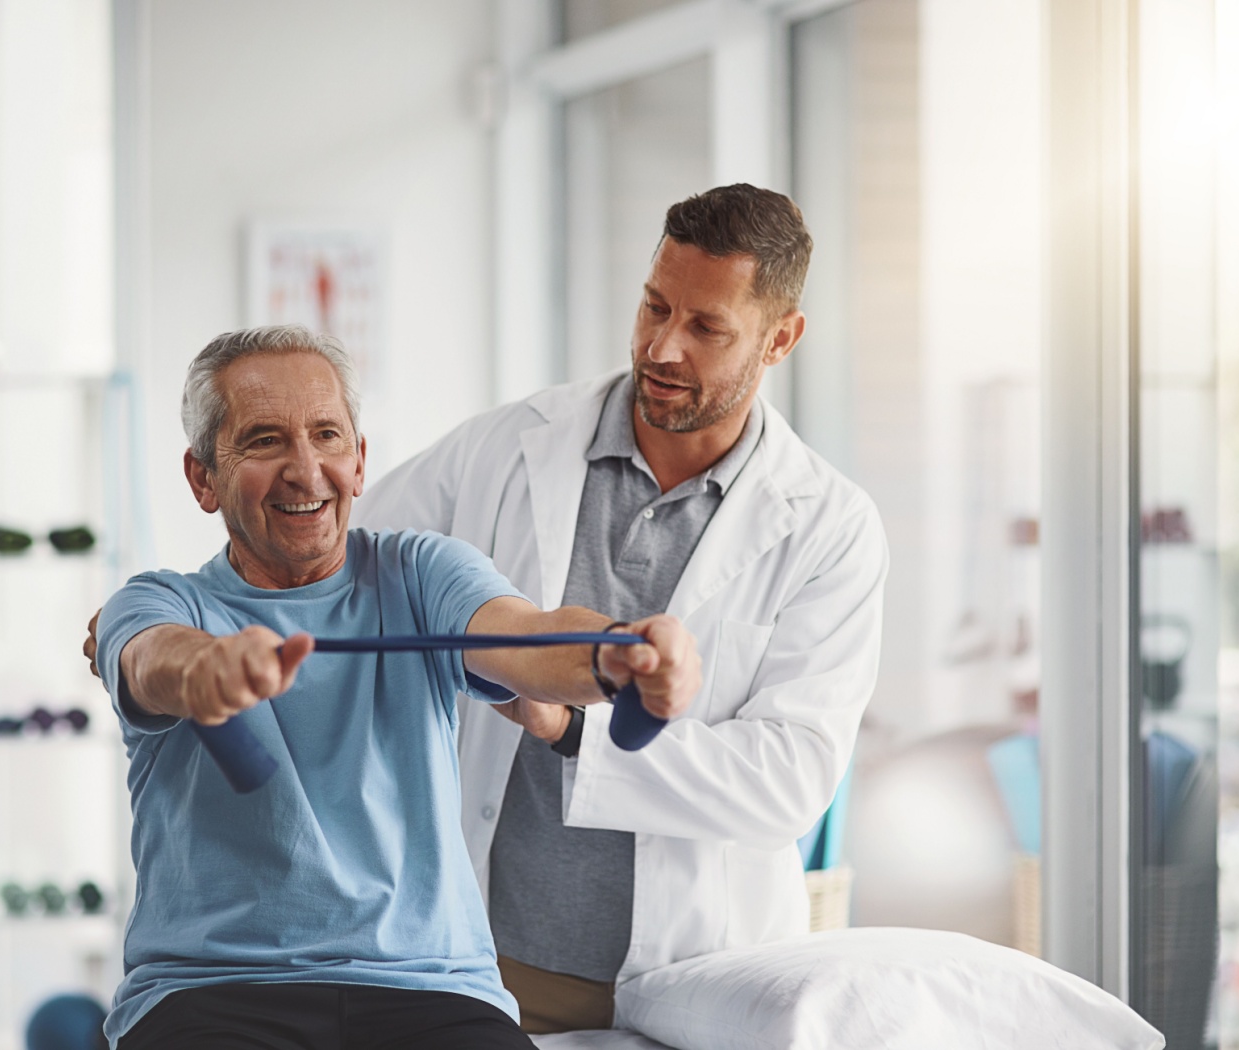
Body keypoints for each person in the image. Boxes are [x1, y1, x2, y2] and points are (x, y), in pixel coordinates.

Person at [353, 184, 888, 1033]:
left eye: (706, 327)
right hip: (483, 960)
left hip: (692, 977)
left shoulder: (829, 527)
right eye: (653, 306)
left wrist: (572, 730)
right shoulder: (512, 443)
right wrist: (178, 617)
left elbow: (787, 781)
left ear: (780, 337)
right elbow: (343, 560)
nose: (662, 346)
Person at [89, 324, 701, 1049]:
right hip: (216, 992)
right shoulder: (159, 601)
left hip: (430, 988)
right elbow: (153, 658)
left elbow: (525, 636)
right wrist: (207, 672)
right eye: (263, 441)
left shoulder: (420, 572)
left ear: (360, 461)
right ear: (202, 479)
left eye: (327, 436)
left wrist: (617, 655)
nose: (305, 469)